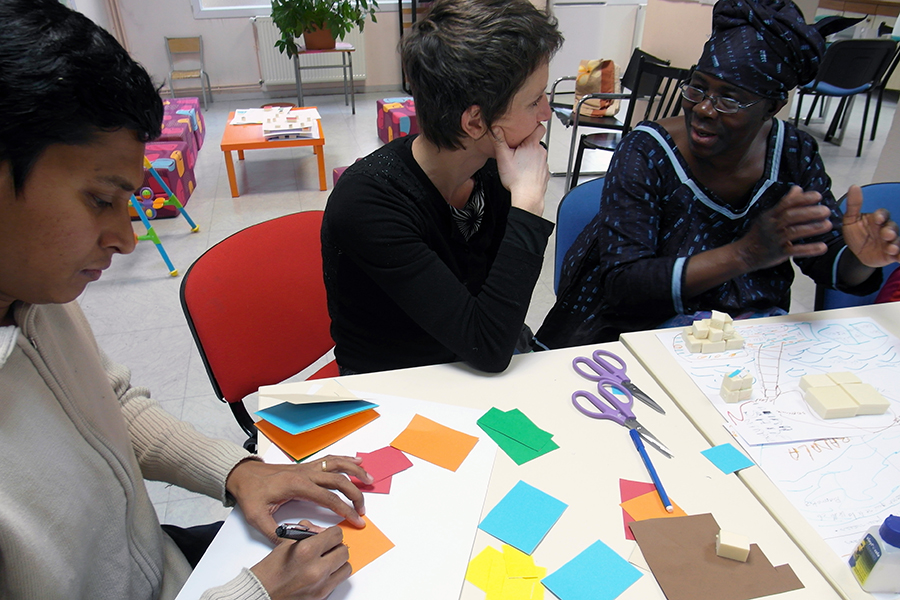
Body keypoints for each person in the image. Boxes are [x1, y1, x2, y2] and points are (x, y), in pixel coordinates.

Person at [0, 2, 374, 599]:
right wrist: (254, 595)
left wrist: (239, 471)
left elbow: (111, 407)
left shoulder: (35, 291)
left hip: (160, 564)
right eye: (100, 200)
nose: (125, 238)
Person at [535, 0, 900, 348]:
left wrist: (860, 258)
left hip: (751, 337)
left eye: (729, 99)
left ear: (772, 107)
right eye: (697, 88)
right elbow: (625, 285)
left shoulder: (794, 154)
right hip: (640, 334)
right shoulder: (646, 152)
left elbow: (823, 257)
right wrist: (744, 254)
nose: (704, 109)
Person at [321, 0, 563, 374]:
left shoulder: (494, 170)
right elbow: (488, 347)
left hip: (469, 372)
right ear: (475, 122)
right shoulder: (367, 203)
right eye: (534, 101)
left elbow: (496, 325)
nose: (547, 112)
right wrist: (528, 205)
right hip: (394, 388)